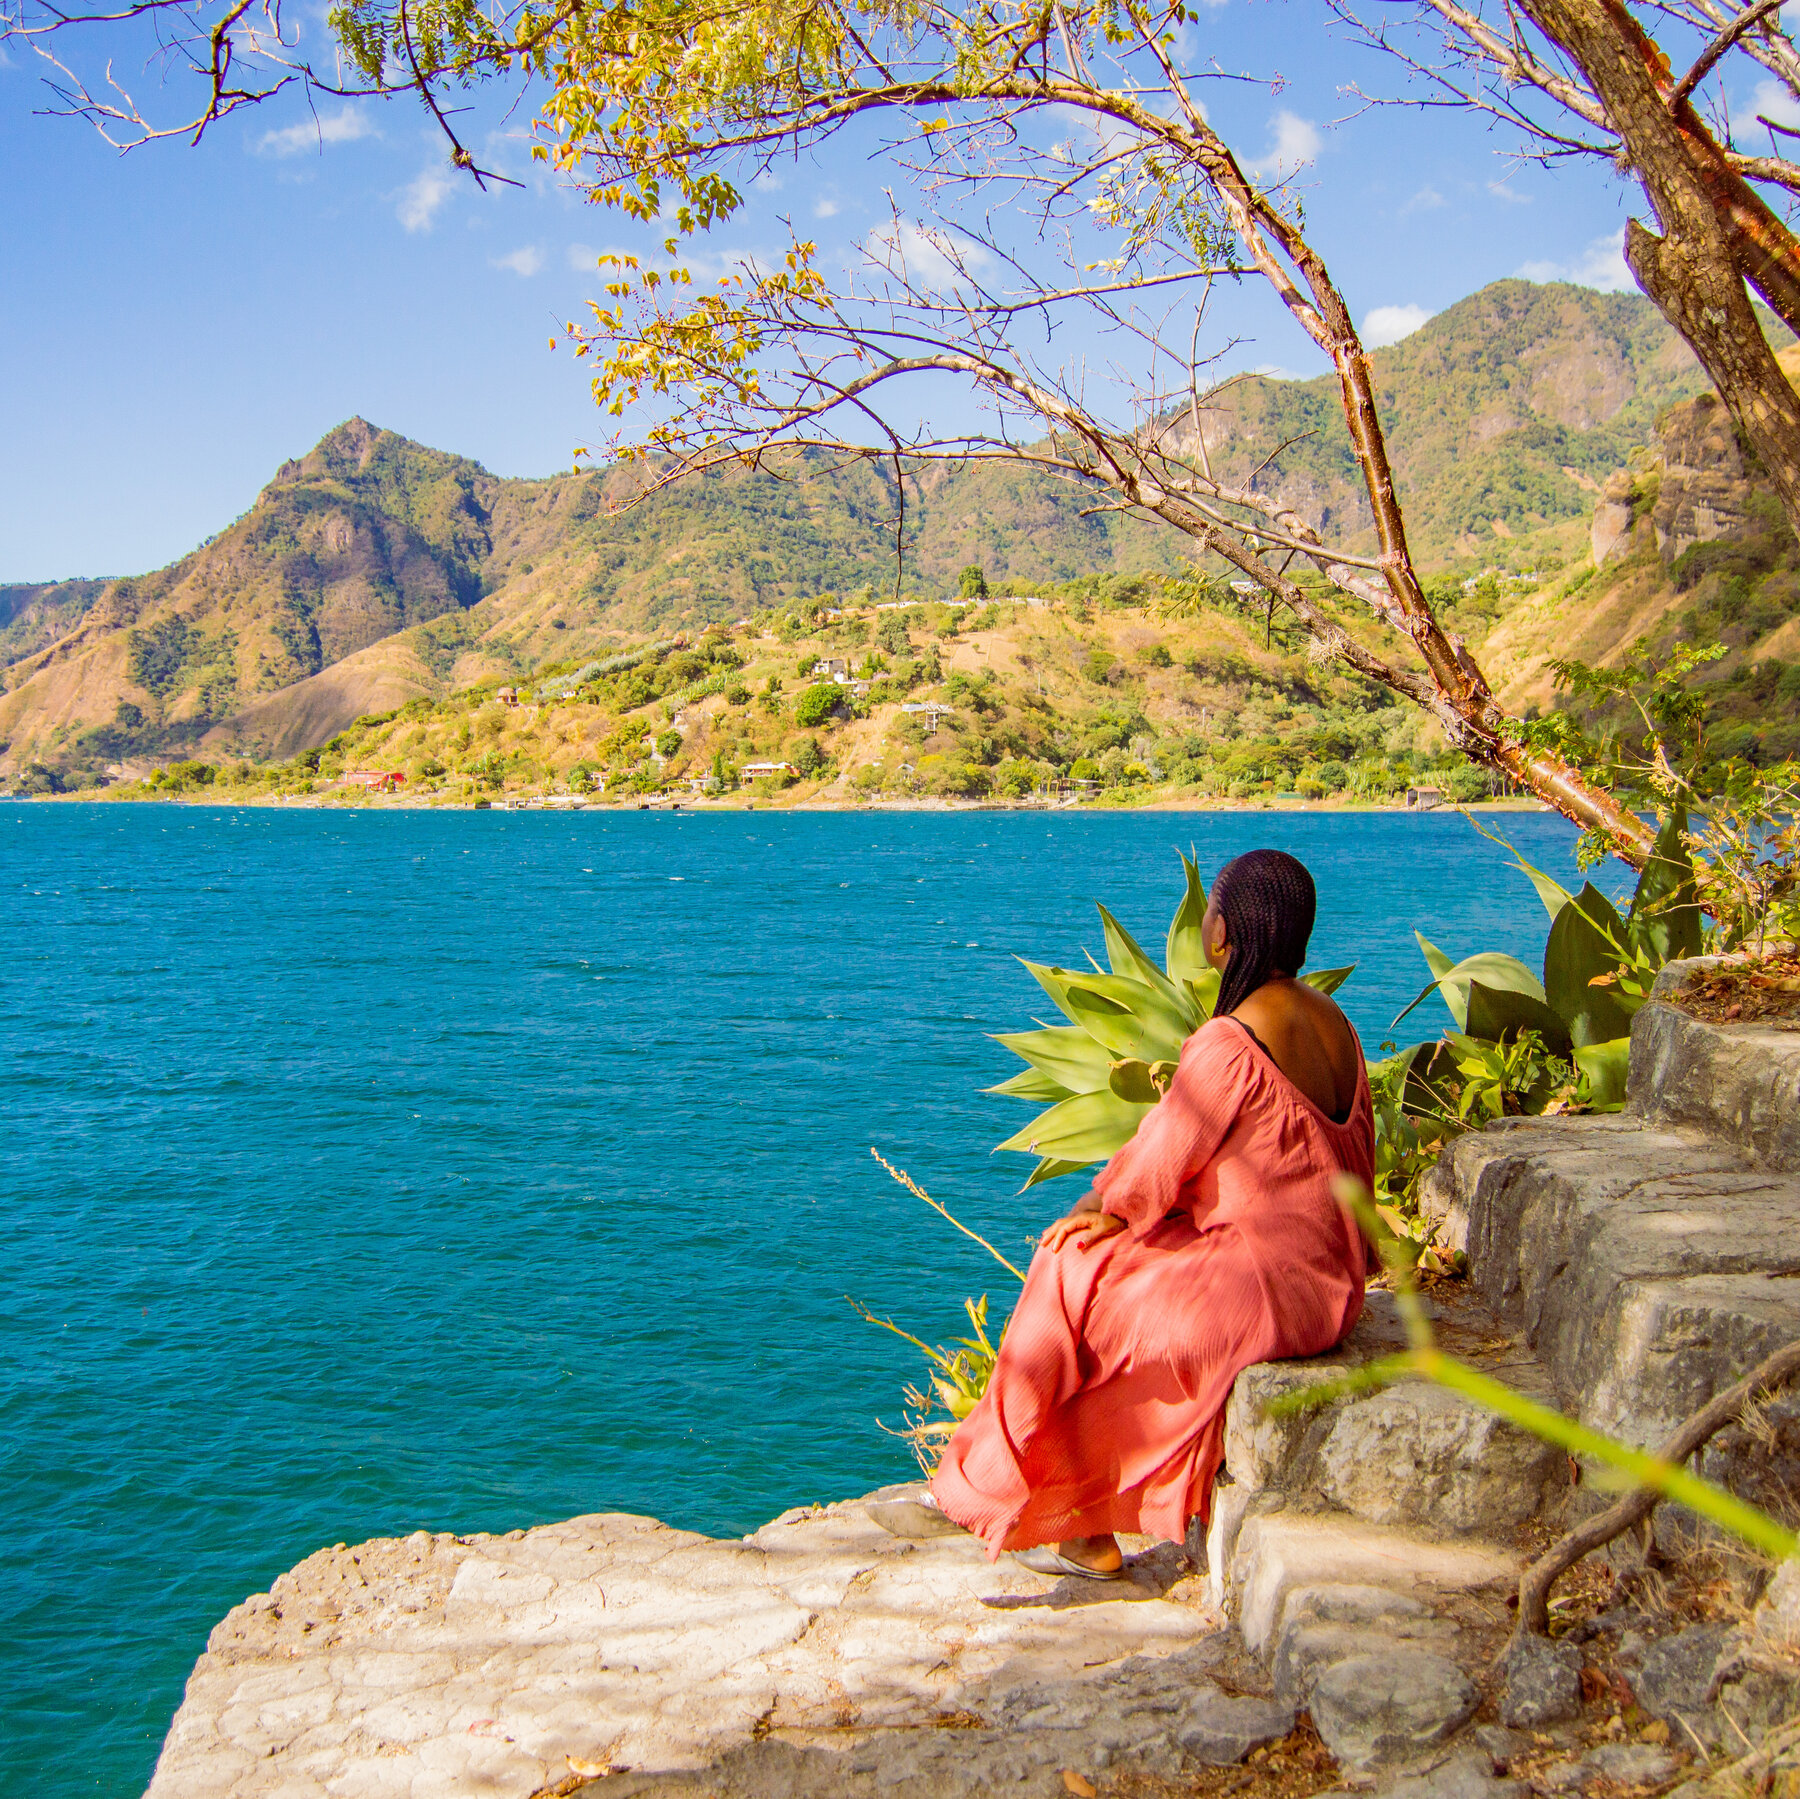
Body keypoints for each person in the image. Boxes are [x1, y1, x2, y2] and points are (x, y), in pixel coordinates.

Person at [872, 848, 1373, 1577]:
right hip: (1334, 1282)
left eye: (1210, 912)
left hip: (1267, 1289)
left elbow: (1162, 1156)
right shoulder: (1337, 1023)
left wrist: (1102, 1206)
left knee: (1068, 1263)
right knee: (1094, 1290)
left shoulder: (1231, 1043)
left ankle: (985, 1489)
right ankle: (1077, 1531)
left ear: (1224, 932)